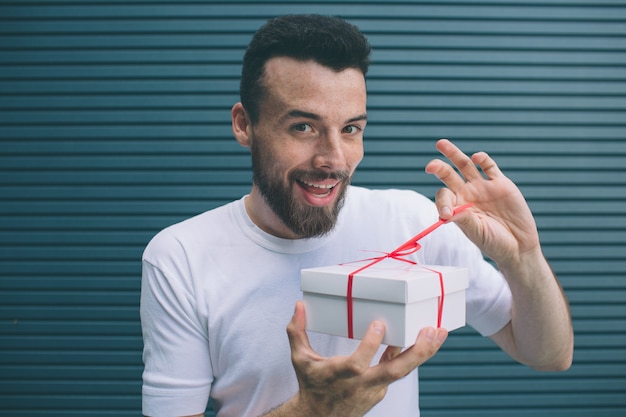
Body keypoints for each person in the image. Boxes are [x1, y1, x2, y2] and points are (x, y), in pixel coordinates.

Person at [140, 14, 573, 417]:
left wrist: (523, 257)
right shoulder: (181, 256)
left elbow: (549, 354)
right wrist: (312, 411)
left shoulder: (413, 222)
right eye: (303, 127)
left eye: (350, 129)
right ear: (244, 124)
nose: (333, 159)